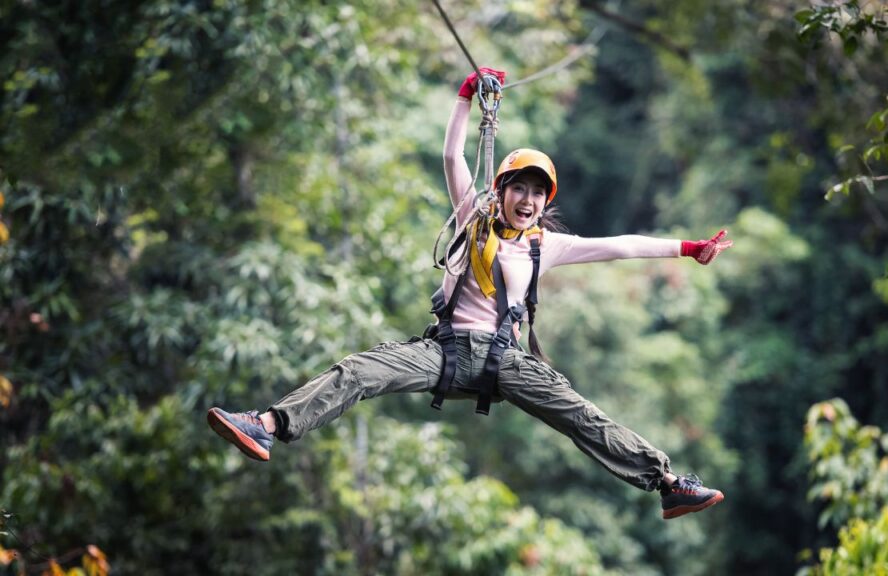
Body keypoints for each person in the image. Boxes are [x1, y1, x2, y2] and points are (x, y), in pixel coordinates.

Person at [207, 67, 733, 520]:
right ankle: (267, 423)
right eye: (518, 189)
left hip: (507, 360)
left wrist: (688, 248)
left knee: (581, 415)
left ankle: (667, 485)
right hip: (446, 351)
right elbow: (453, 154)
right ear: (501, 190)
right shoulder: (471, 220)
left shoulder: (544, 246)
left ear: (544, 200)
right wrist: (465, 97)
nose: (526, 200)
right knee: (360, 371)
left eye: (536, 192)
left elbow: (620, 246)